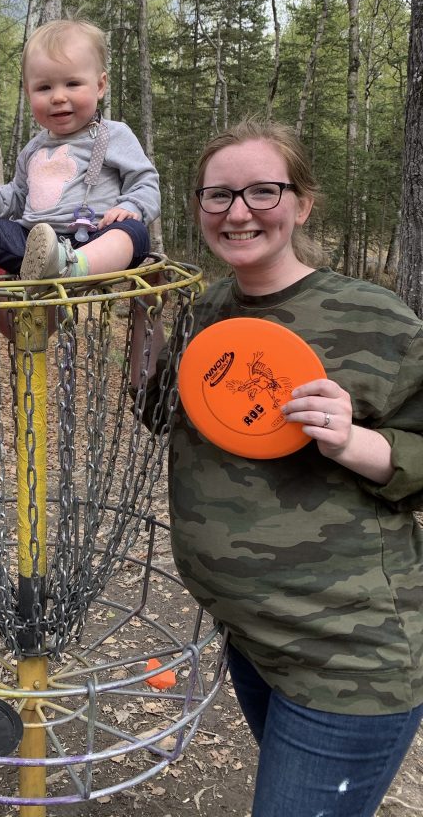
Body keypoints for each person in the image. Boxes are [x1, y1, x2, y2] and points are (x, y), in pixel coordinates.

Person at [140, 118, 423, 817]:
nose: (238, 212)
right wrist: (145, 318)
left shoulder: (374, 318)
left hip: (347, 657)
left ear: (301, 203)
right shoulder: (206, 310)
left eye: (263, 191)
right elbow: (157, 411)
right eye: (218, 196)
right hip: (255, 639)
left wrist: (353, 441)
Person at [0, 19, 160, 283]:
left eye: (72, 84)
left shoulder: (113, 135)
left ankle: (74, 266)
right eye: (44, 87)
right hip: (34, 245)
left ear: (100, 86)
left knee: (133, 232)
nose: (58, 97)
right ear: (29, 92)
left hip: (94, 240)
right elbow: (19, 195)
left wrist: (130, 206)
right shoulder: (33, 149)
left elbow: (146, 183)